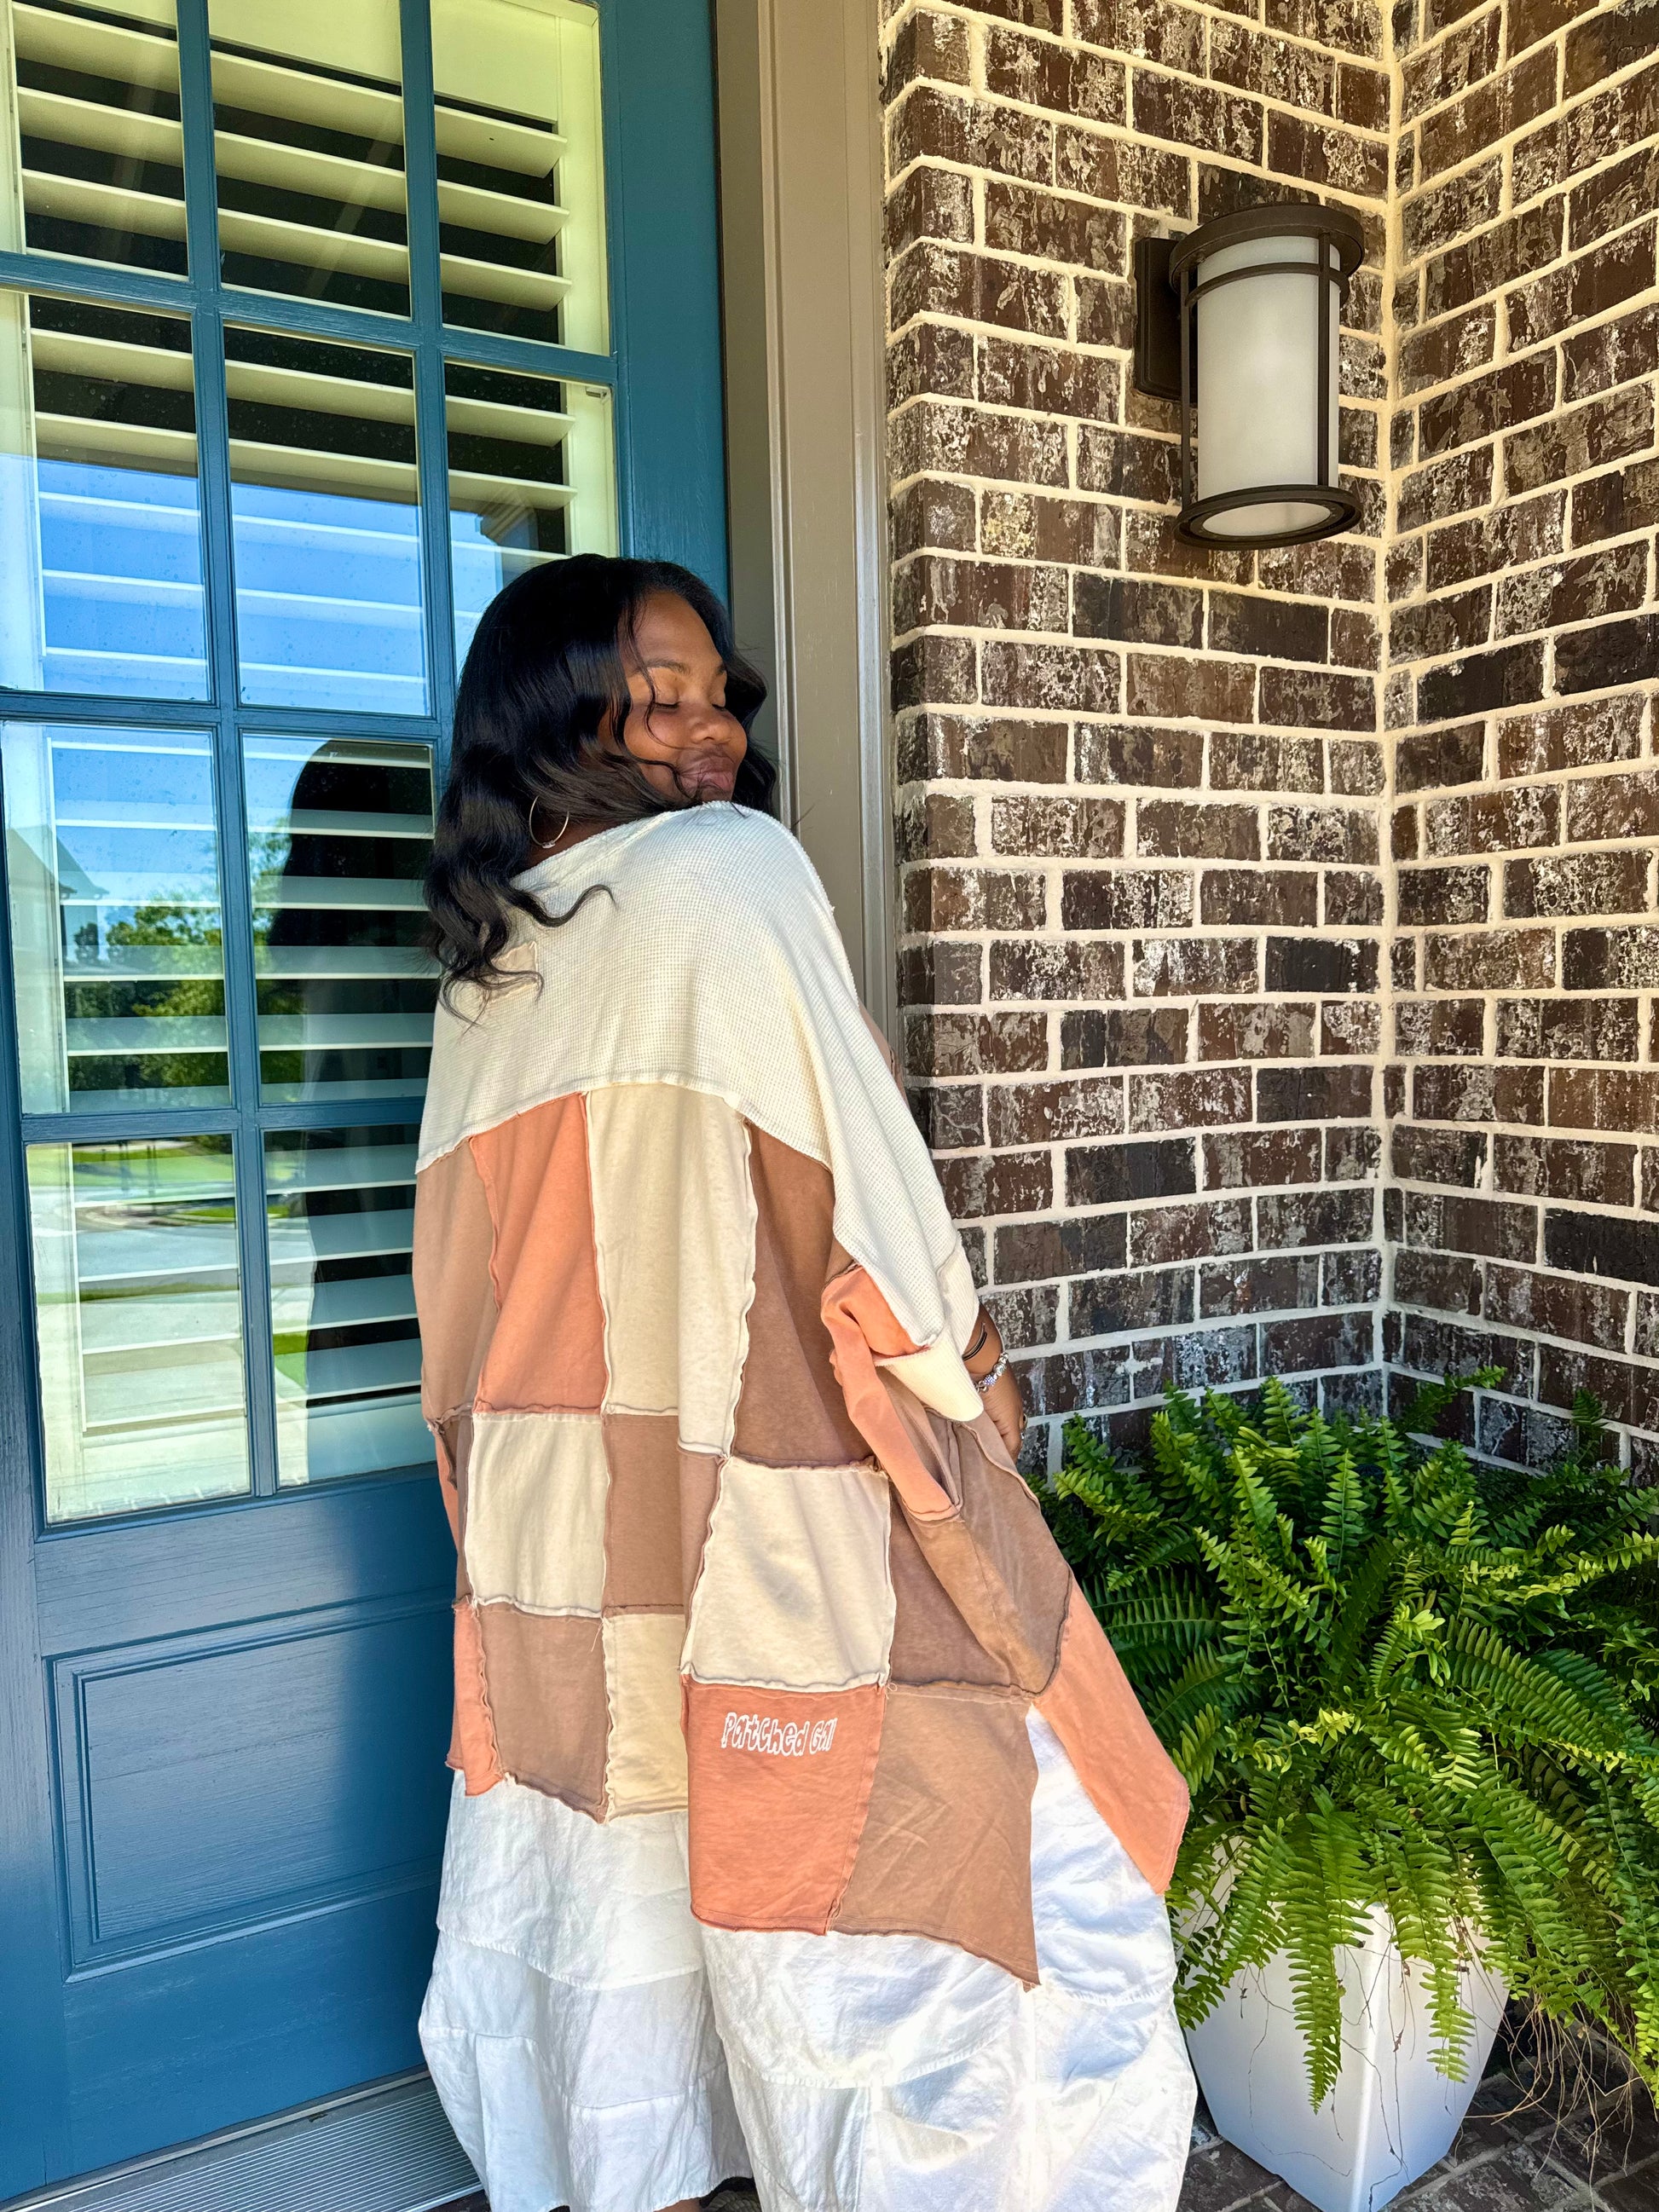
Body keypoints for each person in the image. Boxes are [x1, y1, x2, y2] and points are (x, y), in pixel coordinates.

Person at [413, 553, 1195, 2212]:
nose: (712, 731)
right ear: (547, 716)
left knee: (625, 1861)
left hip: (557, 1516)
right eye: (660, 698)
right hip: (757, 1474)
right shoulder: (729, 871)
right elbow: (863, 1191)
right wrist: (970, 1379)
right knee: (924, 1871)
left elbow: (459, 1292)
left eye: (720, 697)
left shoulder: (487, 972)